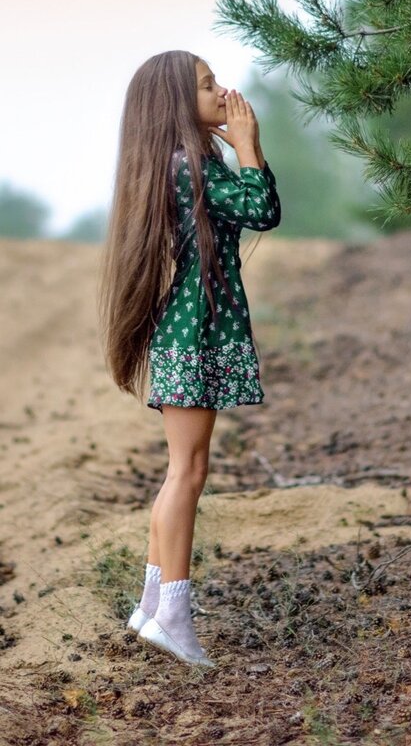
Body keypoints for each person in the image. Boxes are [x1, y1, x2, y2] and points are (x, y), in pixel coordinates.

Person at [98, 50, 281, 667]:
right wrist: (248, 145)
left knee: (184, 469)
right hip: (193, 331)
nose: (222, 91)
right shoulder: (188, 166)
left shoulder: (185, 162)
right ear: (177, 102)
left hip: (190, 328)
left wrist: (244, 149)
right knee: (188, 472)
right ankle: (172, 617)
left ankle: (152, 607)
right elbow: (261, 211)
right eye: (207, 86)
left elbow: (256, 208)